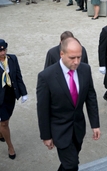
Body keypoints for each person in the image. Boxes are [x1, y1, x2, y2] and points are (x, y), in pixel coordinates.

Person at [37, 37, 100, 171]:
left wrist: (95, 124)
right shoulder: (46, 76)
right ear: (62, 54)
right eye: (72, 57)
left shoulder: (85, 69)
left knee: (69, 163)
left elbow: (91, 97)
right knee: (72, 165)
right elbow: (42, 109)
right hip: (59, 130)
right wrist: (46, 135)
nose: (76, 62)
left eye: (79, 57)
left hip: (78, 128)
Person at [0, 39, 28, 160]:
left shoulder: (13, 59)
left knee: (6, 119)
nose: (3, 53)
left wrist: (24, 92)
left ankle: (1, 132)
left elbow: (18, 75)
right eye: (0, 51)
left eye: (4, 50)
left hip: (10, 95)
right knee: (4, 122)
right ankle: (10, 146)